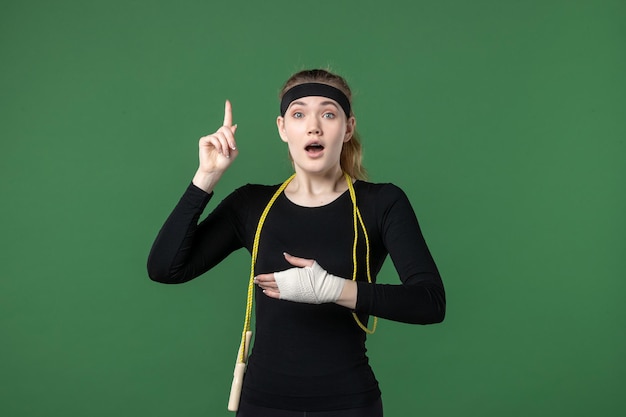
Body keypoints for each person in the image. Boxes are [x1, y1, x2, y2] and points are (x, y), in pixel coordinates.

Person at [147, 69, 445, 417]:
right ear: (282, 128)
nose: (314, 126)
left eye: (329, 113)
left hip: (349, 405)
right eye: (299, 113)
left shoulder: (381, 203)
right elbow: (165, 269)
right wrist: (206, 177)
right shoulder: (251, 205)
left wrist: (331, 289)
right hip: (261, 405)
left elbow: (430, 302)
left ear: (348, 128)